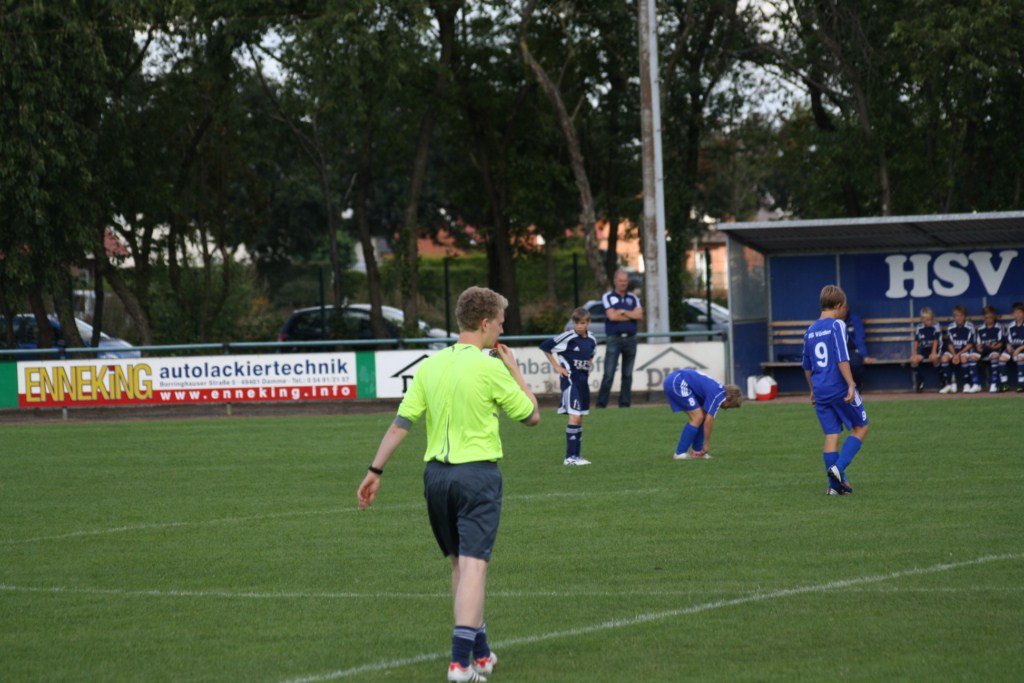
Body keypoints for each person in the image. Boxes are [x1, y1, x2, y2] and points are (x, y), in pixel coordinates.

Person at [357, 286, 540, 683]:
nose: (503, 328)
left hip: (436, 479)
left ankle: (481, 653)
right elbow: (531, 416)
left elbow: (401, 424)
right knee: (474, 567)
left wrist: (375, 471)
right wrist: (515, 372)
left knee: (460, 564)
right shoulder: (490, 367)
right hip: (476, 476)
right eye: (500, 322)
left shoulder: (431, 365)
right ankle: (459, 664)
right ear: (485, 323)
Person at [802, 285, 869, 495]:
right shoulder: (837, 325)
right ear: (838, 305)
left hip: (820, 388)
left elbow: (806, 365)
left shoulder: (810, 330)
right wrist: (851, 384)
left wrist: (812, 390)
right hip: (838, 386)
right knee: (861, 427)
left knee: (831, 434)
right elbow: (842, 356)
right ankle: (838, 470)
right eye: (844, 307)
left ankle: (834, 487)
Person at [539, 307, 597, 466]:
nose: (579, 326)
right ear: (573, 323)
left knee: (580, 418)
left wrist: (588, 366)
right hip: (571, 382)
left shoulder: (592, 339)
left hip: (583, 383)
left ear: (589, 323)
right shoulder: (568, 337)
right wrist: (557, 366)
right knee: (575, 416)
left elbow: (591, 354)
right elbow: (545, 346)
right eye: (577, 323)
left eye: (583, 323)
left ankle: (576, 456)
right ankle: (570, 457)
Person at [663, 368, 742, 459]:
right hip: (677, 382)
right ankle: (679, 454)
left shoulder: (718, 390)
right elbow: (709, 421)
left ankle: (697, 452)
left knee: (702, 417)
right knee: (698, 417)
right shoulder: (718, 395)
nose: (727, 408)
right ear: (728, 398)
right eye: (730, 406)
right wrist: (706, 444)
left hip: (676, 379)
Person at [596, 270, 643, 408]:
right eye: (621, 281)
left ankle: (624, 404)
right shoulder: (608, 296)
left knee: (627, 374)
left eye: (625, 281)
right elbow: (612, 317)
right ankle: (601, 405)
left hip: (631, 339)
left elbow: (639, 315)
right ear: (615, 281)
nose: (623, 283)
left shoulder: (633, 298)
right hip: (614, 339)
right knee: (609, 374)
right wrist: (630, 314)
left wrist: (621, 311)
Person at [939, 305, 981, 394]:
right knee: (944, 358)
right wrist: (955, 355)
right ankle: (949, 384)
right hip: (953, 351)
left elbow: (970, 344)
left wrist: (958, 354)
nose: (959, 318)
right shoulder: (951, 327)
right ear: (954, 317)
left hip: (965, 351)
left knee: (963, 358)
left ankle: (967, 383)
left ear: (965, 316)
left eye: (961, 315)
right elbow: (949, 344)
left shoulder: (970, 326)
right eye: (957, 316)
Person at [909, 306, 942, 392]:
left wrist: (934, 352)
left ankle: (942, 379)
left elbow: (936, 340)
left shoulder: (936, 326)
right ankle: (920, 380)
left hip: (935, 349)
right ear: (922, 320)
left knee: (934, 358)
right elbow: (916, 341)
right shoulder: (919, 327)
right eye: (927, 320)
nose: (930, 321)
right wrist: (914, 353)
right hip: (923, 350)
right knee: (913, 360)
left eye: (931, 319)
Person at [842, 305, 876, 390]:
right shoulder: (832, 320)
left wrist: (865, 355)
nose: (843, 310)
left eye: (845, 307)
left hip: (852, 350)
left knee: (855, 364)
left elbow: (859, 338)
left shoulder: (854, 319)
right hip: (839, 351)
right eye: (841, 307)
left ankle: (855, 386)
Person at [975, 305, 1006, 392]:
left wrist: (994, 346)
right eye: (986, 318)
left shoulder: (999, 327)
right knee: (972, 358)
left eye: (990, 317)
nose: (988, 319)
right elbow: (977, 343)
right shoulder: (980, 328)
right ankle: (976, 384)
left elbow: (1001, 343)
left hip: (995, 349)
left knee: (994, 357)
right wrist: (978, 347)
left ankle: (993, 383)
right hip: (984, 350)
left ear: (994, 317)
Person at [998, 301, 1024, 392]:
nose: (1018, 315)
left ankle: (1021, 384)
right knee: (1002, 359)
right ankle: (1004, 384)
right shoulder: (1011, 325)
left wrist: (1019, 349)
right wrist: (1008, 346)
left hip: (1022, 349)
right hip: (1013, 349)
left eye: (1020, 312)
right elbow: (1008, 340)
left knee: (1020, 358)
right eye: (1015, 312)